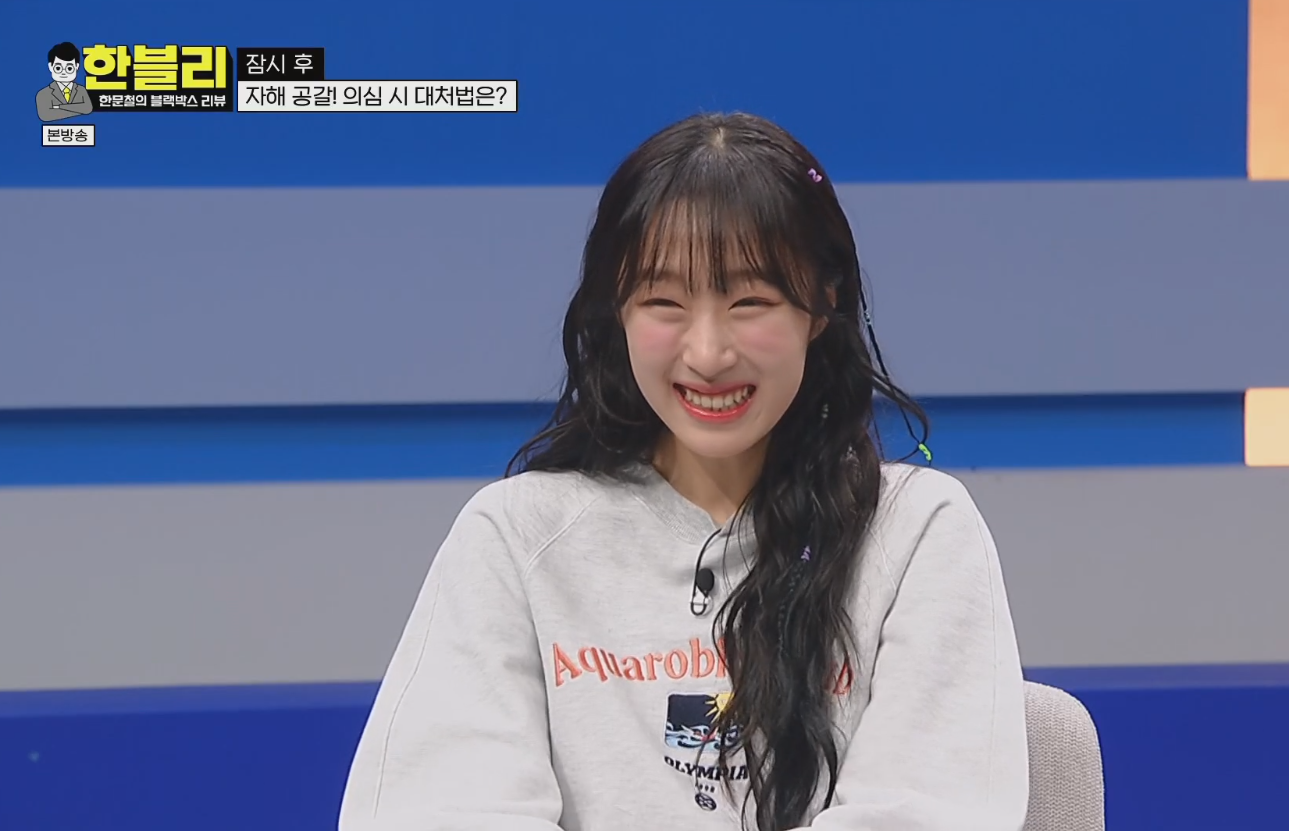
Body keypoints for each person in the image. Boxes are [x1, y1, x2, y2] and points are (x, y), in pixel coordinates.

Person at [338, 112, 1029, 831]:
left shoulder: (917, 533)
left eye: (750, 302)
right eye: (664, 303)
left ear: (822, 303)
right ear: (617, 312)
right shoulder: (515, 537)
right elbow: (438, 809)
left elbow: (930, 813)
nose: (707, 354)